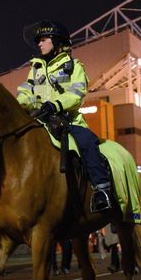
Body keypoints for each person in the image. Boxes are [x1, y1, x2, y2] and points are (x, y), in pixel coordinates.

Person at [16, 20, 111, 212]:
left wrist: (55, 105)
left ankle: (102, 190)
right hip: (40, 120)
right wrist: (18, 105)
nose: (39, 44)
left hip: (69, 122)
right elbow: (25, 92)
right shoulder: (35, 68)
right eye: (38, 41)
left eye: (43, 40)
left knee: (87, 142)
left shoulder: (74, 66)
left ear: (57, 42)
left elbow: (77, 95)